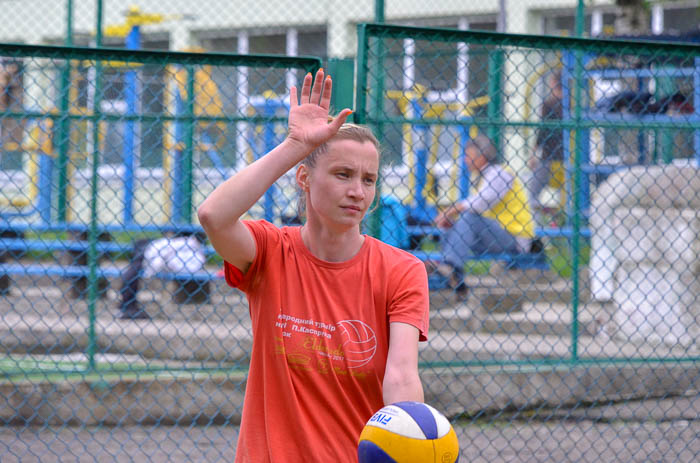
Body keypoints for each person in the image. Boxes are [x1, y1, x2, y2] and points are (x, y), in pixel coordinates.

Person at [197, 68, 429, 462]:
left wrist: (411, 444)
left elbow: (402, 375)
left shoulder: (402, 269)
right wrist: (294, 145)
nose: (358, 191)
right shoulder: (271, 251)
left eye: (368, 180)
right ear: (303, 178)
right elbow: (213, 216)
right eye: (343, 175)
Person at [433, 133, 537, 298]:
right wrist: (453, 221)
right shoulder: (483, 176)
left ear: (481, 156)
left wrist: (452, 210)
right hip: (494, 235)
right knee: (452, 228)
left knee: (469, 217)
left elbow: (481, 202)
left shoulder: (500, 173)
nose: (465, 159)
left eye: (468, 155)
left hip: (514, 237)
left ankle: (450, 266)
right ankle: (456, 279)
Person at [118, 233, 206, 320]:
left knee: (137, 259)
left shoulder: (190, 247)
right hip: (156, 252)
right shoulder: (188, 245)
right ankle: (128, 306)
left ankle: (128, 306)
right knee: (137, 256)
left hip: (156, 253)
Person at [527, 70, 565, 224]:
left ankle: (538, 228)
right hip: (568, 160)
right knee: (569, 197)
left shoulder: (549, 105)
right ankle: (560, 221)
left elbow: (542, 133)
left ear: (553, 84)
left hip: (549, 160)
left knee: (531, 194)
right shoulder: (572, 107)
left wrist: (533, 154)